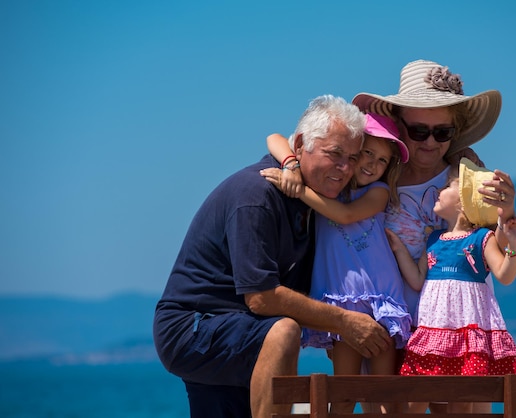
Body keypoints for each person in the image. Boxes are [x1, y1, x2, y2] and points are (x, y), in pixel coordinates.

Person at [152, 95, 393, 418]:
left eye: (352, 157)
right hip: (195, 327)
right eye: (335, 154)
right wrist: (345, 322)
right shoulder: (257, 194)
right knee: (283, 331)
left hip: (240, 331)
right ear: (300, 145)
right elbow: (262, 298)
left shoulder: (313, 202)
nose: (346, 168)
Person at [352, 59, 516, 414]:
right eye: (419, 130)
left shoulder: (469, 178)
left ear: (454, 132)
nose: (430, 141)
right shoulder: (376, 173)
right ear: (398, 125)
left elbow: (495, 248)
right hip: (392, 321)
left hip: (458, 327)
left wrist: (506, 213)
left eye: (441, 132)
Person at [260, 113, 412, 414]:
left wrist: (300, 190)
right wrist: (291, 165)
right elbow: (273, 138)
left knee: (383, 394)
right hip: (342, 303)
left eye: (382, 160)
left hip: (382, 298)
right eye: (367, 153)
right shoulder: (329, 186)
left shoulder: (378, 192)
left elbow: (344, 216)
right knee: (343, 393)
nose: (372, 164)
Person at [387, 158, 516, 414]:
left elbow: (504, 275)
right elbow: (418, 279)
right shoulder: (433, 239)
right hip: (432, 333)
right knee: (416, 397)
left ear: (464, 202)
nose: (439, 190)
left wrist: (514, 248)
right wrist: (398, 249)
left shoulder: (482, 238)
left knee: (462, 401)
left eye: (448, 186)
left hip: (466, 337)